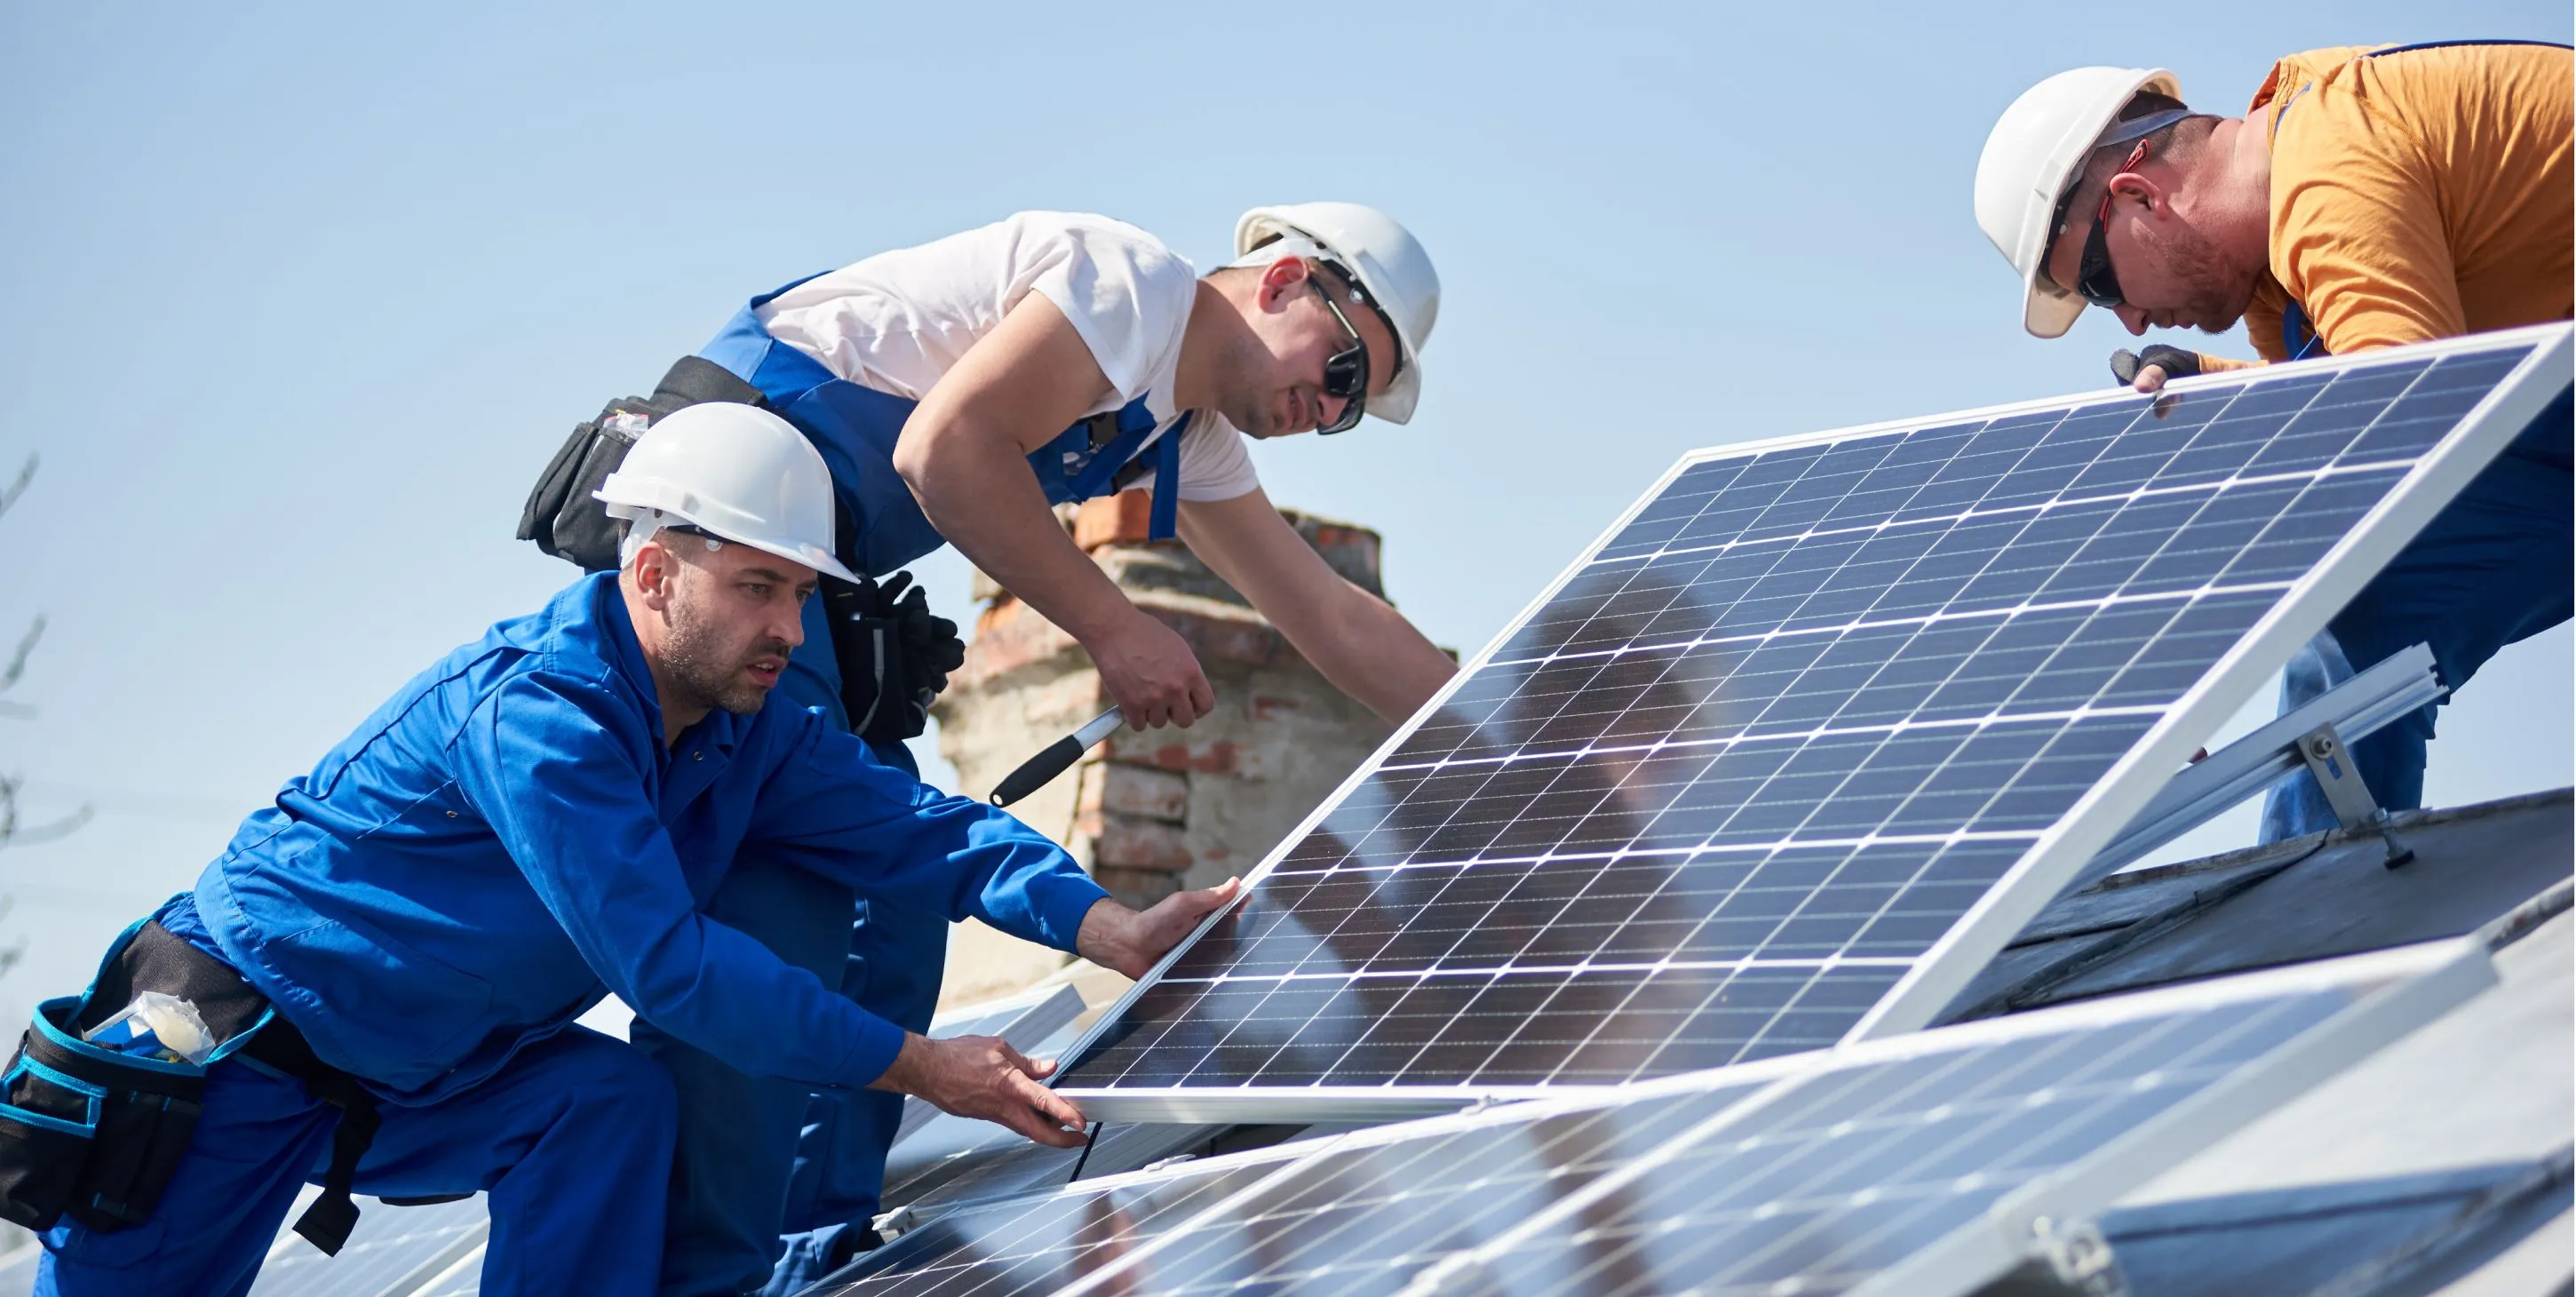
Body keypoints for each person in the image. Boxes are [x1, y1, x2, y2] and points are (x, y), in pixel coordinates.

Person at [17, 405, 1231, 1296]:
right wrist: (921, 1065)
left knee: (604, 1105)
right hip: (234, 1063)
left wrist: (1099, 924)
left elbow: (918, 827)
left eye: (802, 597)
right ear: (652, 574)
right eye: (758, 588)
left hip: (425, 1080)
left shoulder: (745, 729)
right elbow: (674, 971)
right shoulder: (540, 719)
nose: (786, 629)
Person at [521, 204, 1463, 1293]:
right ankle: (709, 1270)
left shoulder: (1180, 431)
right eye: (1344, 368)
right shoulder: (1129, 286)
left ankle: (811, 1254)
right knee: (791, 909)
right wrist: (1115, 626)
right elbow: (945, 448)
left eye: (1350, 410)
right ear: (1286, 278)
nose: (1327, 408)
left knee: (899, 920)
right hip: (728, 556)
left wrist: (1513, 731)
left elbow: (1329, 615)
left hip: (818, 583)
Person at [1973, 42, 2573, 841]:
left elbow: (2405, 429)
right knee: (2364, 618)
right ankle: (2329, 914)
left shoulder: (2330, 163)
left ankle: (2324, 911)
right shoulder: (2277, 276)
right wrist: (2215, 398)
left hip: (2523, 413)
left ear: (2137, 195)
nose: (2131, 322)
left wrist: (2183, 639)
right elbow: (2341, 413)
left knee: (2355, 585)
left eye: (2101, 285)